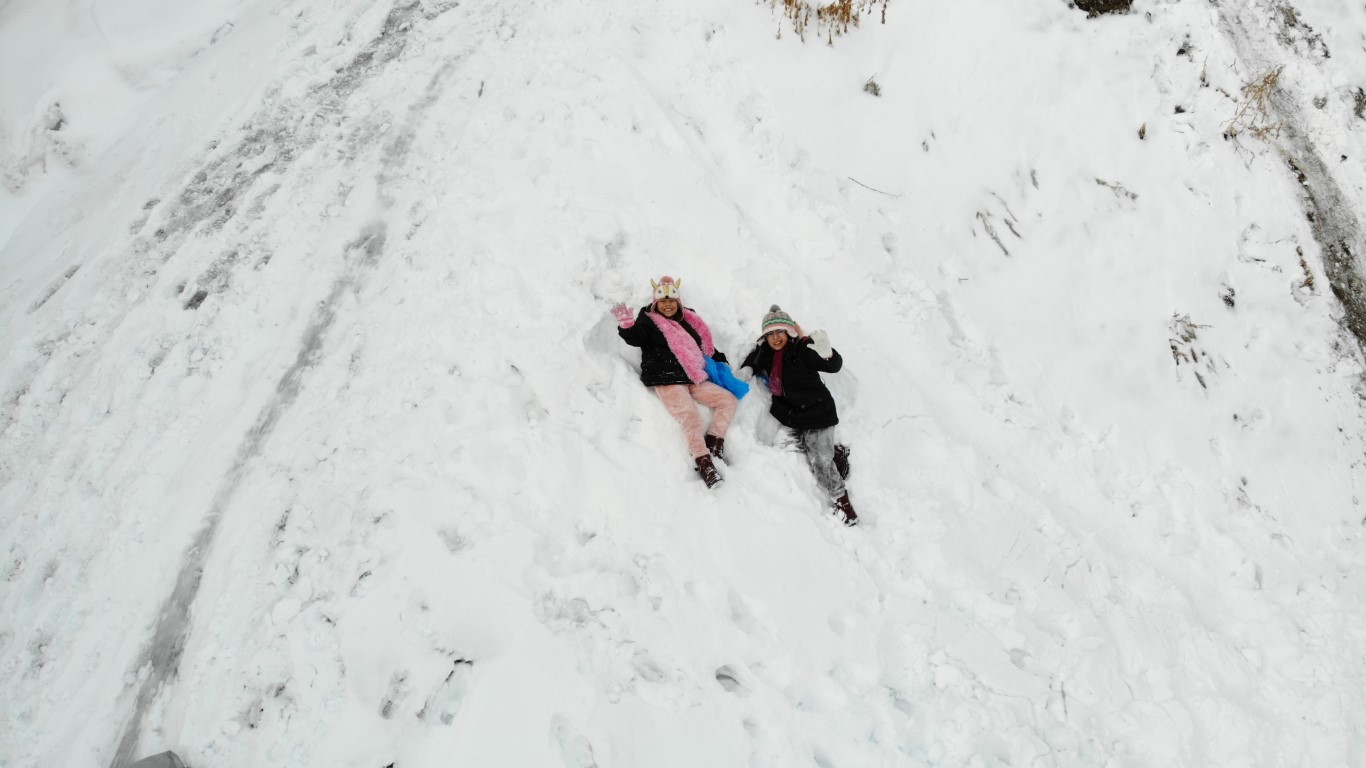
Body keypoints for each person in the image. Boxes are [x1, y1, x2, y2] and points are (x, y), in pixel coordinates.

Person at [611, 276, 738, 488]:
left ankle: (714, 444)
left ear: (678, 302)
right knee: (690, 417)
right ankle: (704, 461)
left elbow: (705, 347)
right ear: (656, 303)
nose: (668, 304)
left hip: (694, 377)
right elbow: (637, 336)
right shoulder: (649, 322)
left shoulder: (689, 322)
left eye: (671, 300)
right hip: (667, 378)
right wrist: (627, 327)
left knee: (728, 401)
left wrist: (721, 362)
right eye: (663, 301)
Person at [738, 305, 857, 525]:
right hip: (793, 414)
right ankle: (836, 454)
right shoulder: (766, 353)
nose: (775, 338)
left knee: (820, 462)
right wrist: (748, 369)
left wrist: (827, 353)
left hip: (818, 411)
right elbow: (754, 358)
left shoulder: (802, 349)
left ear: (788, 332)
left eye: (779, 332)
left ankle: (843, 503)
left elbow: (833, 366)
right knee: (804, 453)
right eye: (771, 334)